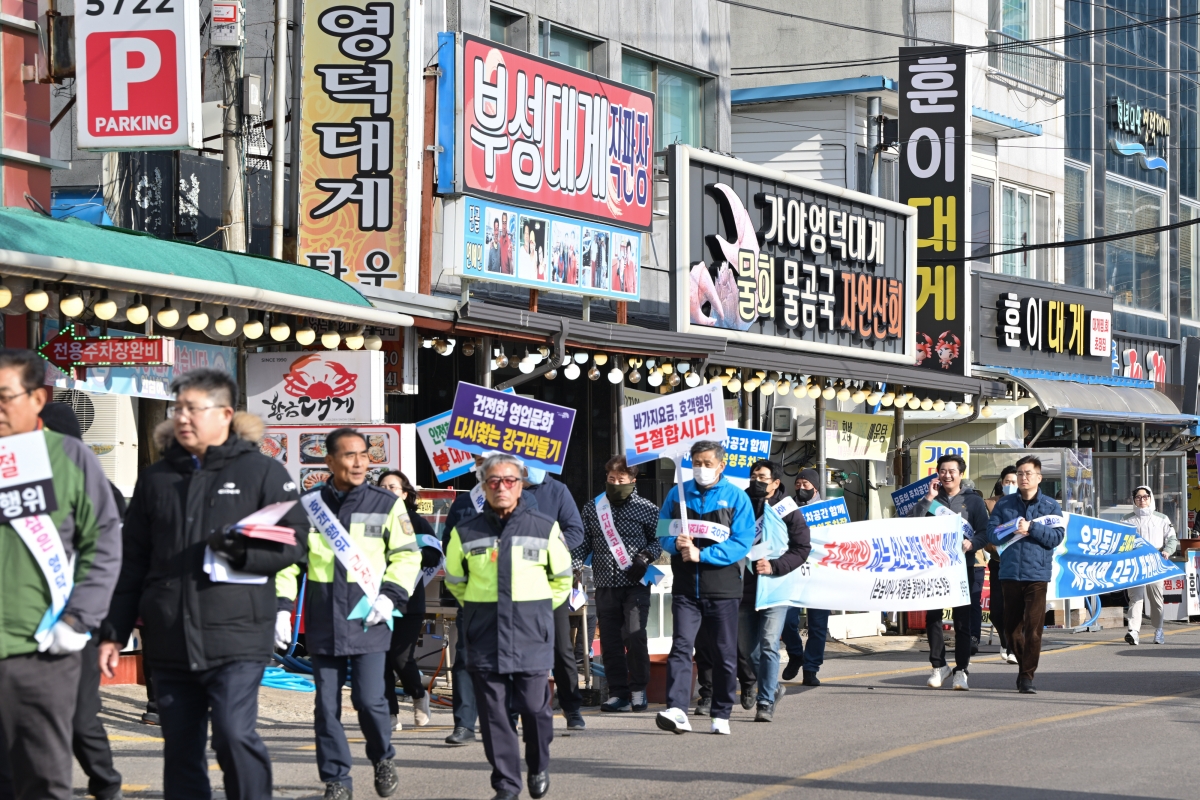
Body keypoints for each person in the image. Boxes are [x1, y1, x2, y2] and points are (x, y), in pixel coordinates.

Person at [100, 368, 307, 800]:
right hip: (169, 639)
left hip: (237, 635)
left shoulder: (262, 472)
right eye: (178, 409)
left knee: (233, 735)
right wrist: (113, 633)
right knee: (180, 750)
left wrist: (238, 550)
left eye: (193, 409)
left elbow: (296, 542)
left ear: (225, 414)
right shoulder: (157, 478)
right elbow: (132, 561)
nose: (183, 418)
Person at [0, 350, 122, 800]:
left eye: (4, 396)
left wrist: (78, 620)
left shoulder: (69, 457)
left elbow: (105, 542)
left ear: (37, 398)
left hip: (41, 649)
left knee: (41, 780)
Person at [276, 429, 422, 800]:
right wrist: (281, 608)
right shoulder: (307, 506)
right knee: (326, 708)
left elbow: (407, 555)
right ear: (329, 462)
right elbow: (288, 564)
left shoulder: (386, 504)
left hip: (369, 618)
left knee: (370, 702)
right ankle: (336, 780)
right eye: (348, 455)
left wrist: (391, 597)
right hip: (324, 622)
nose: (358, 462)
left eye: (363, 455)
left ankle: (383, 757)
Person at [443, 453, 572, 800]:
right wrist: (476, 608)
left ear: (521, 485)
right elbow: (455, 580)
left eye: (509, 481)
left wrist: (540, 612)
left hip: (532, 633)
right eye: (494, 481)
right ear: (484, 486)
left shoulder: (545, 526)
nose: (502, 487)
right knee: (495, 716)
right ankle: (506, 785)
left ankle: (538, 763)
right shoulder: (465, 530)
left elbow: (561, 579)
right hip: (484, 634)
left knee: (534, 709)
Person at [39, 402, 126, 800]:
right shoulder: (18, 477)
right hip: (23, 619)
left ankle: (105, 782)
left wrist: (105, 627)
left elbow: (111, 558)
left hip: (78, 620)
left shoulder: (98, 486)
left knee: (79, 716)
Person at [655, 441, 755, 736]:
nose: (701, 469)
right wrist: (676, 544)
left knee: (724, 652)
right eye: (696, 463)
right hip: (686, 589)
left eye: (707, 464)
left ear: (721, 466)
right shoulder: (678, 494)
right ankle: (676, 708)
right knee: (682, 646)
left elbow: (742, 542)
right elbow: (663, 531)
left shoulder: (736, 498)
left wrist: (703, 555)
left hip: (723, 589)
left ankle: (721, 711)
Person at [572, 455, 661, 713]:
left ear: (633, 481)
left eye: (621, 479)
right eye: (611, 479)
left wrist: (645, 557)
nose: (615, 483)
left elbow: (660, 541)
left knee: (634, 635)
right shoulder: (592, 508)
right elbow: (582, 543)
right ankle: (618, 692)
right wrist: (574, 566)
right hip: (604, 583)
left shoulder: (648, 508)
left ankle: (638, 690)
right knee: (610, 640)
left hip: (636, 582)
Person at [907, 454, 988, 691]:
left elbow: (985, 532)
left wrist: (972, 543)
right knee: (933, 618)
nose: (947, 475)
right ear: (937, 474)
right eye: (943, 471)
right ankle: (938, 665)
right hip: (934, 568)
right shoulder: (931, 499)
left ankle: (961, 670)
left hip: (964, 568)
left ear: (961, 474)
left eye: (952, 471)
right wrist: (929, 498)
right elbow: (910, 523)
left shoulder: (973, 501)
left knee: (962, 621)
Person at [986, 455, 1065, 694]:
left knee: (1033, 629)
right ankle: (1024, 666)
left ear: (1039, 478)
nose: (1023, 477)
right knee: (1011, 630)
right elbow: (992, 535)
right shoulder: (1005, 505)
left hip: (1037, 575)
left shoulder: (1051, 506)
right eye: (1020, 473)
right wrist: (1013, 527)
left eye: (1028, 473)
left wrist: (1032, 527)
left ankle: (1026, 677)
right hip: (1009, 573)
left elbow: (1056, 538)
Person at [739, 460, 811, 722]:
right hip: (744, 586)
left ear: (776, 483)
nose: (757, 481)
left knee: (770, 644)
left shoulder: (787, 509)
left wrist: (776, 566)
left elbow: (802, 548)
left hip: (775, 586)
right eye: (753, 476)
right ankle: (773, 687)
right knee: (748, 649)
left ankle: (765, 700)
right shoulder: (740, 502)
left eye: (762, 477)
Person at [521, 465, 587, 730]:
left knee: (562, 649)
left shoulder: (558, 490)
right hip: (514, 586)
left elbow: (575, 531)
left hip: (551, 584)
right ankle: (515, 711)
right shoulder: (503, 486)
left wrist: (550, 549)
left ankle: (572, 708)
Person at [377, 470, 441, 729]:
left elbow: (433, 557)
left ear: (405, 493)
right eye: (382, 487)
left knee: (400, 657)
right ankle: (390, 714)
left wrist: (403, 553)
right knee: (379, 657)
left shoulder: (417, 522)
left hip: (408, 601)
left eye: (393, 486)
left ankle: (418, 694)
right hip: (375, 599)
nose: (387, 491)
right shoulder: (370, 522)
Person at [442, 456, 488, 747]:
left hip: (516, 602)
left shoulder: (526, 503)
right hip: (472, 598)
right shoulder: (463, 504)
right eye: (480, 461)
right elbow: (450, 549)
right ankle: (464, 724)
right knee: (466, 660)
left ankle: (505, 719)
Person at [780, 467, 828, 685]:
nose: (800, 487)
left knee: (818, 625)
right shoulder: (786, 508)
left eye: (805, 484)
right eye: (798, 484)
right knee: (787, 620)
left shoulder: (829, 510)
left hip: (820, 574)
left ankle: (811, 668)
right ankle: (796, 654)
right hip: (793, 571)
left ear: (815, 487)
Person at [1122, 486, 1179, 646]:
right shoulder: (1126, 519)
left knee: (1156, 599)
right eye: (1138, 497)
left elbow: (1172, 539)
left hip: (1155, 561)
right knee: (1135, 597)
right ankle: (1133, 631)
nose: (1142, 500)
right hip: (1135, 562)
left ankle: (1159, 629)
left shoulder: (1161, 518)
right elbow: (1121, 541)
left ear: (1150, 498)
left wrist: (1167, 551)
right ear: (1134, 499)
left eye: (1145, 497)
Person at [986, 467, 1018, 664]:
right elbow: (985, 531)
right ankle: (1005, 640)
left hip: (1019, 565)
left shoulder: (1027, 504)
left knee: (1016, 609)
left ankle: (1014, 647)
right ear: (1001, 483)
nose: (1010, 485)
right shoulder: (990, 504)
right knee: (997, 611)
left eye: (1014, 482)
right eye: (1007, 481)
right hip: (997, 562)